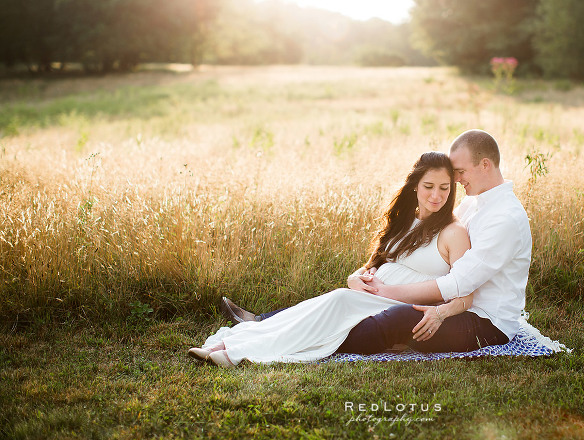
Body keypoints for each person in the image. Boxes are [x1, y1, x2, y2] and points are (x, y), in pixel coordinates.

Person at [220, 129, 532, 358]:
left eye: (460, 172)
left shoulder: (504, 218)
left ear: (486, 165)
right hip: (457, 306)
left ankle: (300, 340)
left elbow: (460, 282)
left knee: (396, 319)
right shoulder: (474, 204)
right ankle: (267, 324)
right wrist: (369, 281)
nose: (457, 180)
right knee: (343, 300)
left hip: (483, 322)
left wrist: (390, 294)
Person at [188, 151, 473, 366]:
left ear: (452, 190)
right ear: (415, 186)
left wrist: (440, 313)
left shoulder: (453, 232)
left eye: (444, 188)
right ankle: (231, 343)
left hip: (396, 305)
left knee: (334, 302)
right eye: (429, 186)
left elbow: (464, 294)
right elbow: (375, 263)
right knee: (326, 306)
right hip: (370, 298)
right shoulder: (405, 221)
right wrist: (354, 277)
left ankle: (237, 352)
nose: (436, 195)